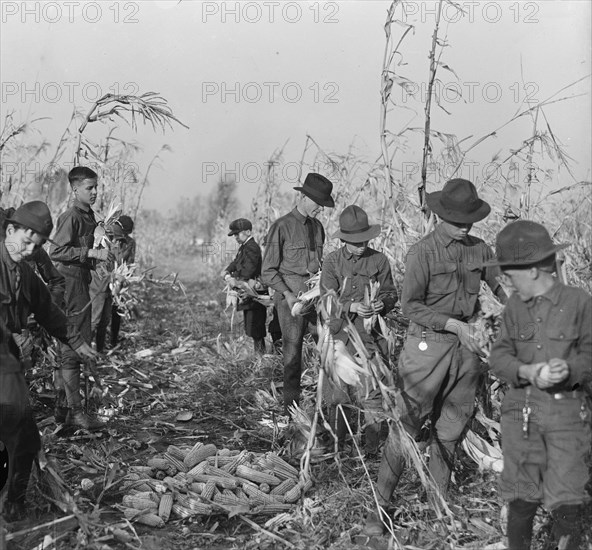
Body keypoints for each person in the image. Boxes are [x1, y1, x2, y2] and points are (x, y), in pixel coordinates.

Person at [365, 178, 507, 535]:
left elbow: (499, 285)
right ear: (441, 215)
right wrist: (451, 324)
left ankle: (439, 508)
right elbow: (411, 305)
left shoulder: (480, 249)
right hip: (427, 346)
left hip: (467, 350)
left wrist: (517, 304)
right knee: (407, 425)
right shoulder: (422, 252)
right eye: (458, 221)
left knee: (452, 427)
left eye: (469, 221)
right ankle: (379, 512)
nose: (465, 227)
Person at [487, 220, 591, 550]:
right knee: (521, 499)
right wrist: (529, 371)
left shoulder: (579, 303)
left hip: (566, 415)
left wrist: (569, 368)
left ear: (532, 269)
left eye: (509, 274)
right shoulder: (515, 307)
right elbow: (498, 359)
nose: (505, 281)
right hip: (522, 416)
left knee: (567, 502)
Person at [0, 202, 98, 519]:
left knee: (25, 436)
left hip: (8, 362)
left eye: (37, 245)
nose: (29, 250)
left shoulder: (26, 275)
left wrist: (78, 342)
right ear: (9, 230)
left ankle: (14, 502)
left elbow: (50, 313)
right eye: (26, 240)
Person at [320, 205, 398, 457]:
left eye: (364, 240)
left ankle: (373, 452)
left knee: (373, 395)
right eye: (355, 242)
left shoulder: (379, 260)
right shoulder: (332, 261)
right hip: (340, 337)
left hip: (370, 339)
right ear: (343, 239)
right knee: (339, 397)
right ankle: (337, 449)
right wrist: (350, 305)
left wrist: (381, 303)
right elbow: (326, 301)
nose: (361, 245)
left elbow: (390, 292)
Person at [261, 173, 335, 414]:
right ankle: (291, 412)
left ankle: (329, 408)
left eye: (323, 205)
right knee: (292, 358)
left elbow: (320, 265)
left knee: (328, 352)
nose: (320, 210)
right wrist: (288, 294)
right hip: (290, 302)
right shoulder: (281, 227)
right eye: (318, 204)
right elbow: (268, 271)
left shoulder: (318, 228)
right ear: (303, 197)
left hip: (316, 299)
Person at [49, 166, 112, 430]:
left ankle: (63, 411)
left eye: (97, 187)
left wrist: (100, 234)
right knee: (73, 351)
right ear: (75, 190)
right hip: (71, 286)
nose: (95, 192)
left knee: (73, 348)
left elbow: (93, 234)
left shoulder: (89, 216)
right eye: (89, 188)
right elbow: (57, 251)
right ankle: (75, 414)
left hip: (82, 283)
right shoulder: (70, 217)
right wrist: (91, 254)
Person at [221, 218, 268, 355]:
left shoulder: (252, 248)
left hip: (254, 293)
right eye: (234, 235)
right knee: (252, 328)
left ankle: (261, 359)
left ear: (248, 232)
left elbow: (248, 271)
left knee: (256, 329)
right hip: (249, 294)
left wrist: (231, 277)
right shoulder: (244, 247)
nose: (235, 237)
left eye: (237, 234)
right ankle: (259, 358)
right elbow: (236, 262)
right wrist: (227, 270)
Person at [90, 222, 127, 352]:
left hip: (107, 291)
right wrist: (114, 277)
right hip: (97, 290)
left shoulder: (113, 250)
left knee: (104, 321)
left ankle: (99, 350)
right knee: (94, 322)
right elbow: (99, 272)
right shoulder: (99, 249)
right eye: (115, 239)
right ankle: (86, 353)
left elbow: (113, 269)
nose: (117, 242)